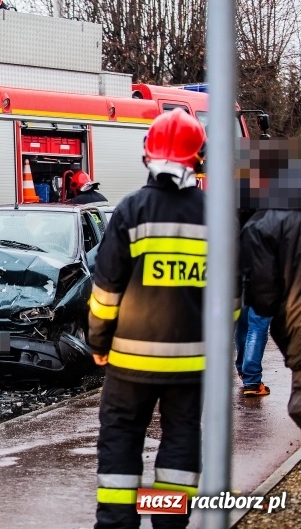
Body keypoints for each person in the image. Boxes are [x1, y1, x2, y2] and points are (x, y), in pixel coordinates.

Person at [88, 109, 239, 528]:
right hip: (191, 365)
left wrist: (99, 344)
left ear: (147, 156)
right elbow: (231, 301)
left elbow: (105, 295)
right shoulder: (216, 215)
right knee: (180, 440)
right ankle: (168, 523)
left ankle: (118, 523)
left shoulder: (131, 211)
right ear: (199, 159)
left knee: (120, 439)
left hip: (130, 363)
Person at [241, 208, 301, 427]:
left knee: (248, 328)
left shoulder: (255, 217)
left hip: (249, 278)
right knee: (255, 329)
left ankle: (247, 374)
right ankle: (251, 378)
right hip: (269, 283)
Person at [235, 208, 271, 397]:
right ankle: (252, 380)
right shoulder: (268, 209)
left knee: (243, 323)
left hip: (238, 269)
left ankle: (243, 369)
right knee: (257, 325)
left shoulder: (235, 205)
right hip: (262, 271)